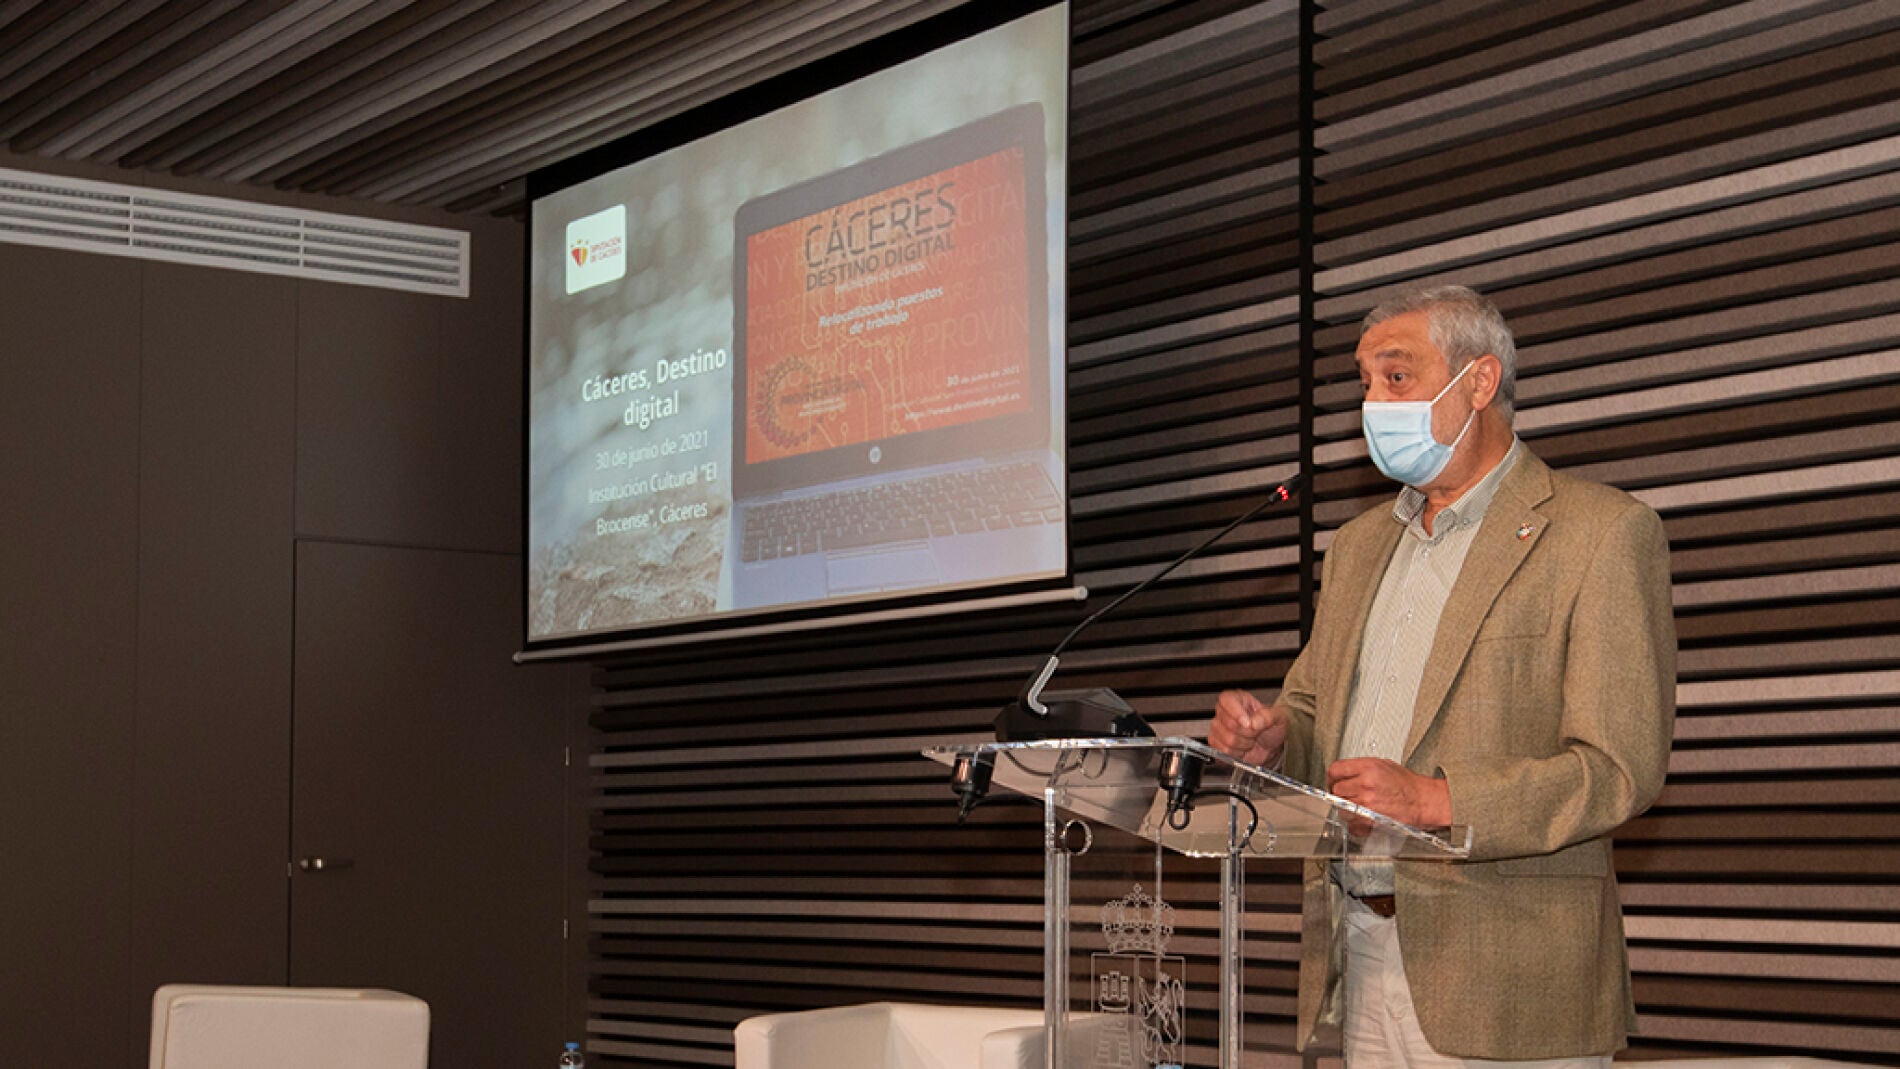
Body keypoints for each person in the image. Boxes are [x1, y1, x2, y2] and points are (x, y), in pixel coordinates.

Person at [1209, 285, 1676, 1066]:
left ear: (1480, 381)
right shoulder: (1357, 546)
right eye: (1365, 382)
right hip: (1359, 952)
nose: (1373, 404)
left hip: (1511, 979)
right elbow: (1316, 706)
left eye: (1397, 377)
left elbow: (1619, 767)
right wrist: (1276, 738)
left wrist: (1435, 800)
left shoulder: (1601, 533)